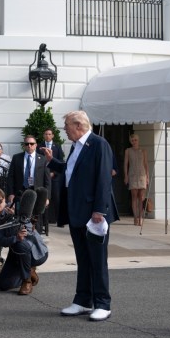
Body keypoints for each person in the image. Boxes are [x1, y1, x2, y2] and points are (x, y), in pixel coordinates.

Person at [43, 110, 118, 322]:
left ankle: (103, 303)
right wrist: (53, 161)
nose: (64, 130)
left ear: (79, 126)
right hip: (77, 211)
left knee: (97, 259)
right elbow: (70, 170)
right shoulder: (76, 146)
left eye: (66, 126)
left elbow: (104, 178)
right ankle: (83, 300)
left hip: (93, 213)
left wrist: (99, 210)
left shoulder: (99, 144)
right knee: (83, 258)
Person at [124, 132, 150, 227]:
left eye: (135, 140)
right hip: (133, 175)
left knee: (141, 198)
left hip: (142, 175)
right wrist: (126, 176)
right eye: (132, 140)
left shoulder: (143, 151)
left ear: (138, 140)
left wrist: (147, 176)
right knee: (134, 197)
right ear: (130, 142)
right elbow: (126, 164)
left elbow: (146, 164)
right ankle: (135, 217)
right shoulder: (128, 151)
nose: (134, 142)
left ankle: (141, 217)